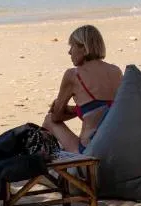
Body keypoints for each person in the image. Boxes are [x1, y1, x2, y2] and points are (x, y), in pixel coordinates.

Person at [42, 25, 122, 153]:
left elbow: (56, 117)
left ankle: (47, 166)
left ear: (84, 49)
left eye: (72, 46)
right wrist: (77, 110)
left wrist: (65, 108)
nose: (69, 52)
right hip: (115, 150)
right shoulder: (116, 71)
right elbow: (103, 108)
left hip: (90, 154)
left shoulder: (73, 75)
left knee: (48, 120)